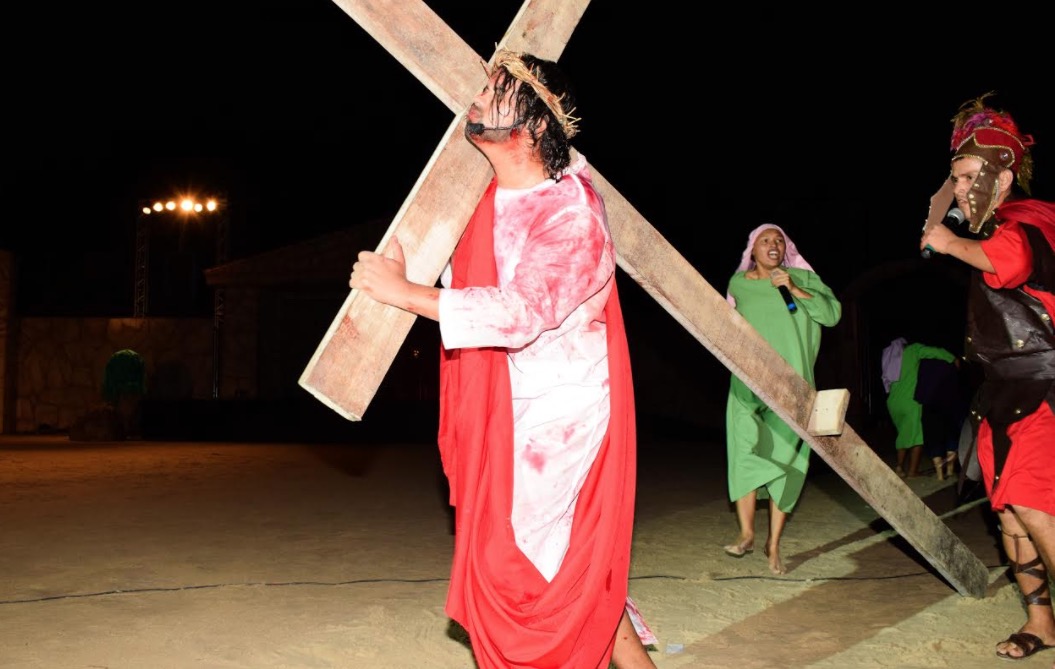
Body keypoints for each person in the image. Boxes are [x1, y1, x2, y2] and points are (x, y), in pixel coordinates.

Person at [349, 50, 657, 668]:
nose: (481, 96)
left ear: (536, 125)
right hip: (508, 405)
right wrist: (412, 274)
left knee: (515, 566)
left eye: (500, 92)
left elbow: (521, 311)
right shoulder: (484, 196)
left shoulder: (572, 214)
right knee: (563, 558)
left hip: (559, 419)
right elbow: (473, 270)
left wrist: (406, 294)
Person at [920, 93, 1055, 662]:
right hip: (1000, 394)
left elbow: (1014, 262)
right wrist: (943, 206)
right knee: (1010, 517)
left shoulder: (1027, 217)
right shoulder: (999, 218)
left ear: (1001, 176)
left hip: (1042, 390)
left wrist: (949, 241)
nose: (959, 187)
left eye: (969, 175)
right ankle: (1041, 621)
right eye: (953, 177)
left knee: (1034, 504)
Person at [723, 224, 842, 575]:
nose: (773, 245)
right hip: (748, 379)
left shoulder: (803, 279)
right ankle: (746, 532)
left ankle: (772, 544)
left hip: (794, 384)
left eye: (779, 241)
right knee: (742, 446)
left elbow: (832, 315)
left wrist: (794, 290)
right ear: (753, 249)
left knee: (788, 460)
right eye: (766, 240)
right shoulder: (738, 284)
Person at [880, 338, 957, 478]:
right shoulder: (913, 350)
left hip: (892, 402)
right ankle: (912, 471)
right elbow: (935, 352)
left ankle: (899, 467)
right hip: (910, 402)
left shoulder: (890, 358)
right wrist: (952, 358)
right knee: (917, 436)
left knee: (903, 434)